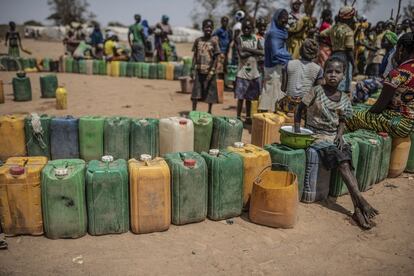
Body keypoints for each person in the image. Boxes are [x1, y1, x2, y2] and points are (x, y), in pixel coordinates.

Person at [294, 56, 379, 229]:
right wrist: (297, 129)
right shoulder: (316, 90)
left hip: (333, 136)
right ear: (324, 73)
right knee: (342, 159)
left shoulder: (344, 98)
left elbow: (342, 120)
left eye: (337, 72)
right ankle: (361, 201)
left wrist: (340, 135)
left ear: (343, 75)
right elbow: (300, 109)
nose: (333, 75)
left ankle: (358, 208)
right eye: (329, 71)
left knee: (345, 158)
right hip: (315, 135)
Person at [347, 32, 414, 138]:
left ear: (401, 49)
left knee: (350, 117)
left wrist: (365, 114)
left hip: (397, 124)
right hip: (411, 125)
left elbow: (379, 107)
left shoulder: (397, 74)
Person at [258, 9, 292, 112]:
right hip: (272, 67)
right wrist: (290, 58)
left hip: (278, 66)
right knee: (270, 91)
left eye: (286, 21)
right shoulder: (273, 33)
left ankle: (270, 116)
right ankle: (265, 117)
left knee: (275, 91)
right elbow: (276, 53)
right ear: (277, 19)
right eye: (282, 20)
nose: (284, 23)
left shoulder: (281, 31)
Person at [279, 39, 323, 117]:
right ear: (315, 53)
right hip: (305, 107)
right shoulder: (318, 69)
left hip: (288, 105)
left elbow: (283, 88)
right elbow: (318, 92)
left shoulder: (288, 64)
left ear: (301, 50)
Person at [320, 5, 356, 94]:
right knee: (343, 82)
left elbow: (321, 34)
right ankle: (340, 102)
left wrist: (330, 44)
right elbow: (349, 51)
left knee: (333, 81)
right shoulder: (348, 31)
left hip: (333, 55)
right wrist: (354, 65)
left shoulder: (333, 28)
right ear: (349, 18)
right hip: (345, 58)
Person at [234, 18, 264, 124]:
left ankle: (247, 117)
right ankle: (238, 117)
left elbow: (262, 52)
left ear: (252, 28)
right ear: (242, 28)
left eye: (249, 27)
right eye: (244, 27)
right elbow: (241, 55)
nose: (246, 29)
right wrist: (254, 52)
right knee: (241, 97)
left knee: (250, 97)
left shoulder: (256, 38)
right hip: (242, 73)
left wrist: (247, 49)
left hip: (253, 73)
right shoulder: (239, 38)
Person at [191, 19, 221, 114]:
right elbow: (195, 56)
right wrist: (192, 68)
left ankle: (209, 111)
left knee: (210, 93)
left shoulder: (214, 42)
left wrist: (212, 71)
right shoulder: (197, 41)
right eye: (206, 27)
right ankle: (194, 111)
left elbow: (216, 58)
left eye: (210, 27)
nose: (208, 29)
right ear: (202, 28)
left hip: (210, 72)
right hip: (199, 71)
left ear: (212, 29)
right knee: (196, 93)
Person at [213, 16, 233, 81]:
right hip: (220, 52)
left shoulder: (229, 31)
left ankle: (224, 84)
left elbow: (231, 39)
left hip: (227, 52)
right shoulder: (219, 30)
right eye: (223, 21)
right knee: (219, 68)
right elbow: (213, 36)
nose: (225, 23)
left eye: (226, 21)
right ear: (221, 22)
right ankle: (219, 83)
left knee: (225, 68)